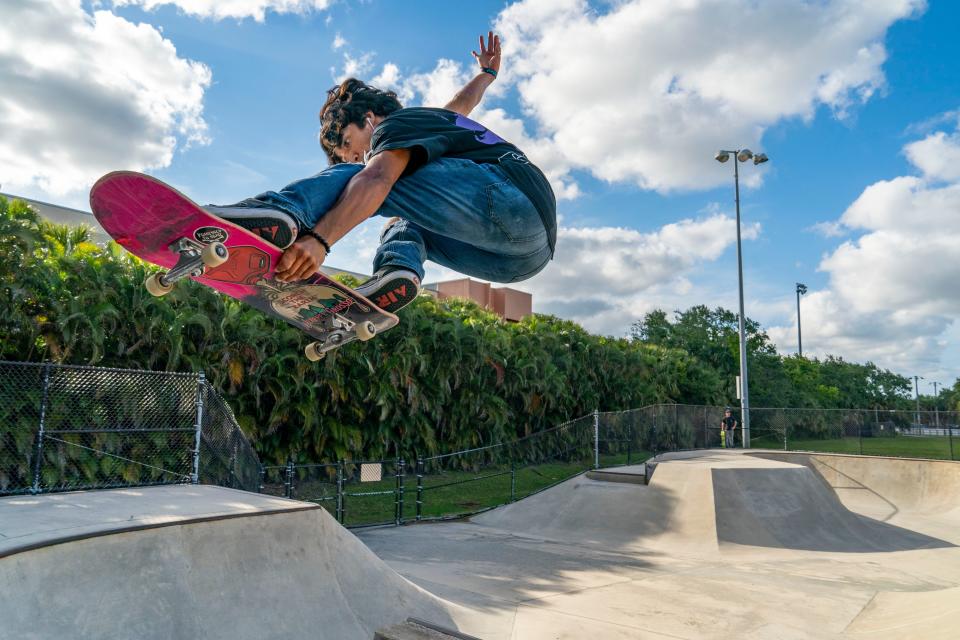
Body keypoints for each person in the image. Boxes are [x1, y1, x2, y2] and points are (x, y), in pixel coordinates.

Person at [206, 32, 556, 314]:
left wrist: (320, 239)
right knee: (406, 219)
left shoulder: (396, 126)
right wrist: (486, 74)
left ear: (369, 117)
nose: (357, 156)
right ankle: (396, 271)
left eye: (349, 143)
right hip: (522, 258)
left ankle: (280, 212)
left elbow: (374, 180)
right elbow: (462, 105)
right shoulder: (433, 126)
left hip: (511, 194)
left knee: (366, 179)